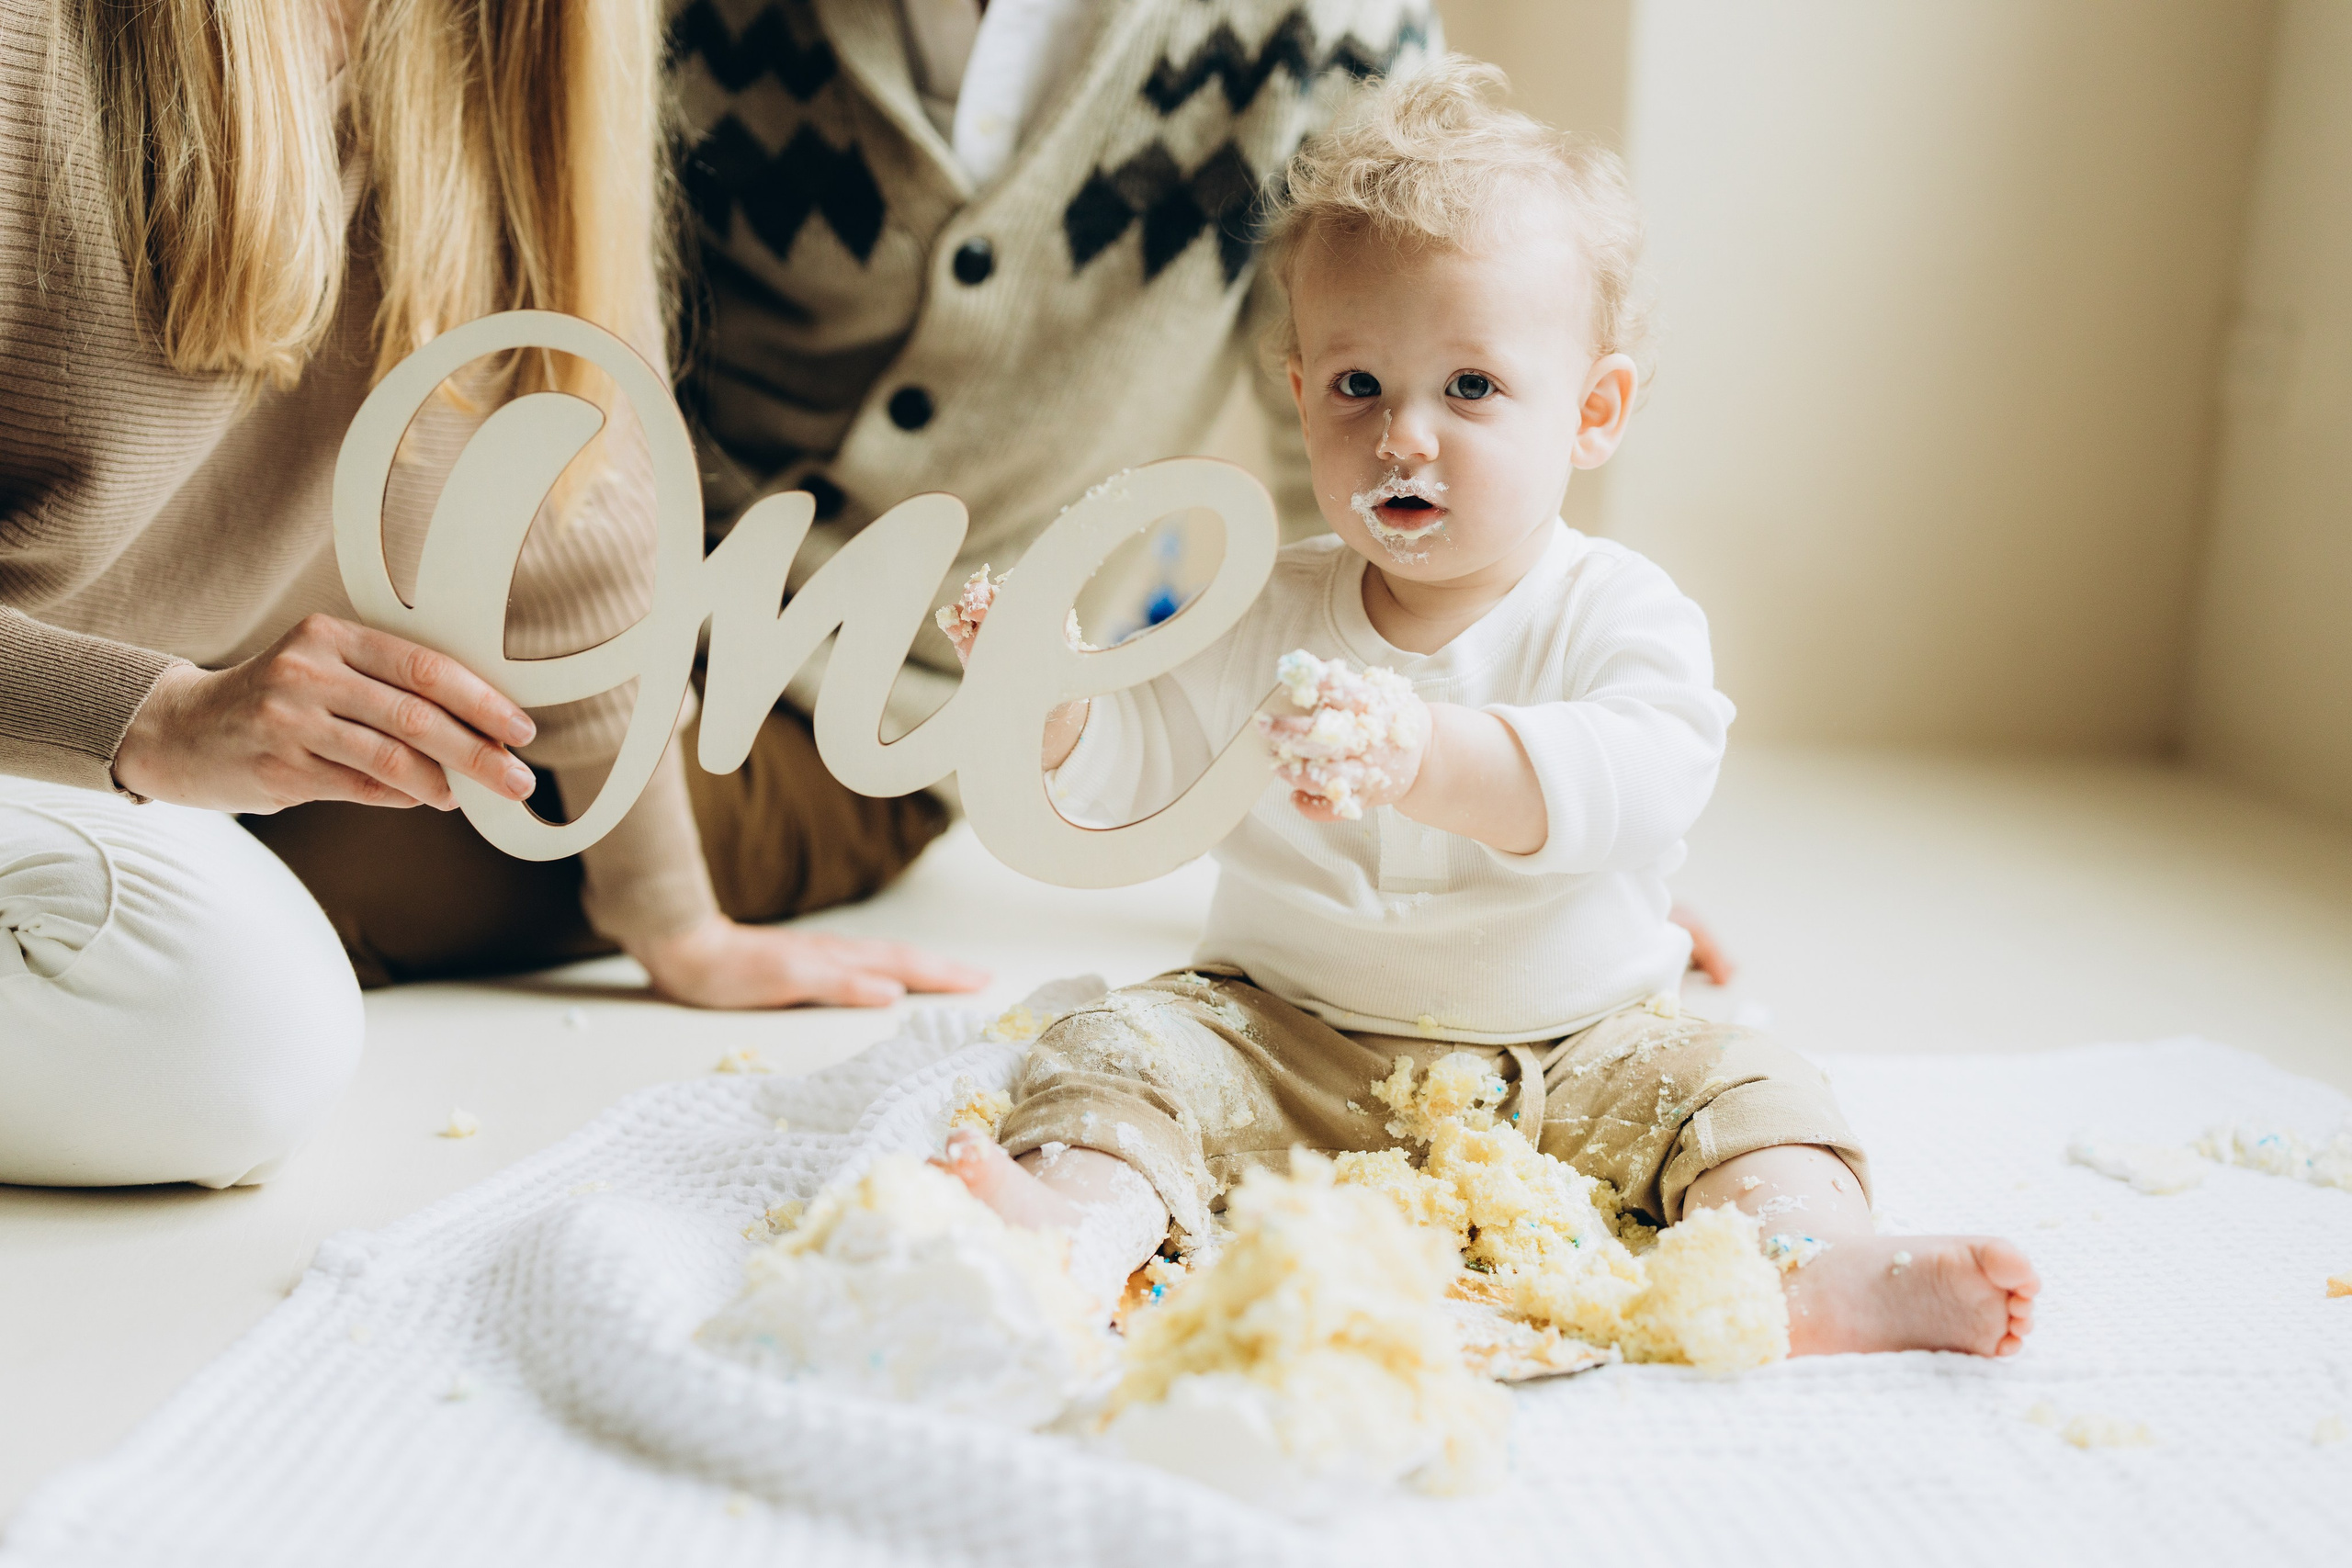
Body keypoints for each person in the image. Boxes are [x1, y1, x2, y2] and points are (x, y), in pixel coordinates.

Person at [938, 62, 2041, 1357]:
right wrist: (1049, 696)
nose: (1405, 436)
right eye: (1358, 387)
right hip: (1285, 1033)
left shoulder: (1617, 610)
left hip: (1578, 1043)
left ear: (1592, 412)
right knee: (1113, 1050)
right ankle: (1076, 1230)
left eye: (1470, 389)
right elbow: (1136, 775)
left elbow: (1642, 777)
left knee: (1751, 1089)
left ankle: (1806, 1263)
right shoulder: (1262, 607)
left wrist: (1429, 753)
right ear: (1300, 398)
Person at [0, 0, 980, 1190]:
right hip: (61, 745)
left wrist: (671, 916)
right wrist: (147, 718)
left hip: (126, 794)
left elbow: (574, 496)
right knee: (244, 1037)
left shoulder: (533, 44)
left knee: (242, 1029)